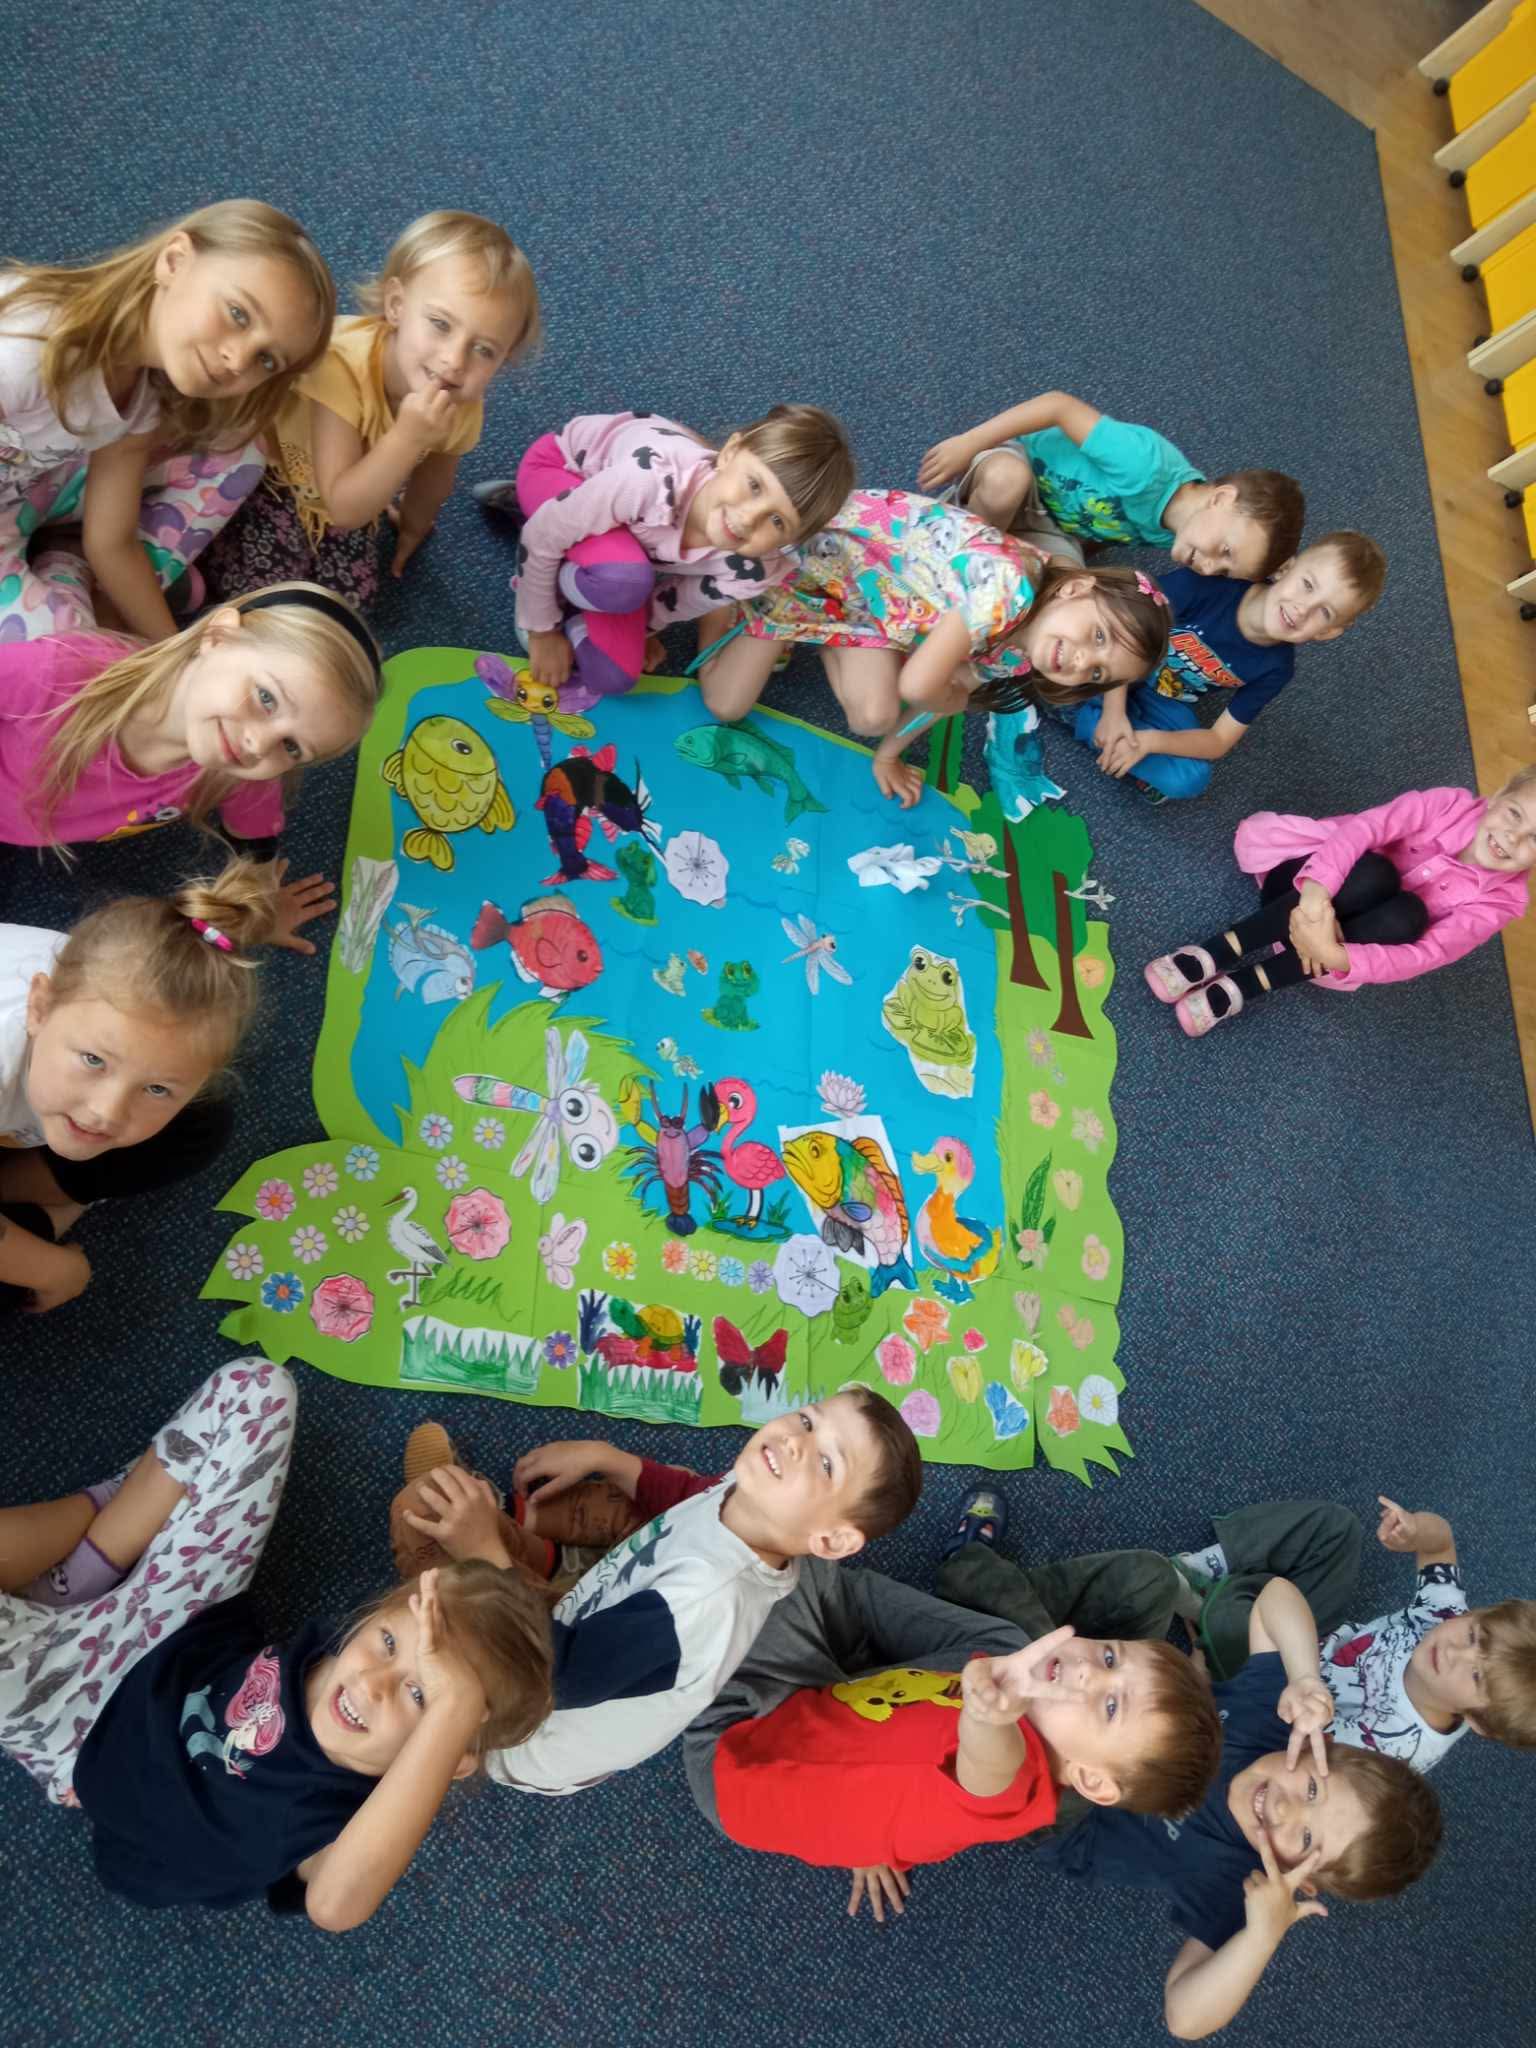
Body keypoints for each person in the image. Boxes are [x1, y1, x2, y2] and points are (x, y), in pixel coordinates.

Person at [0, 1357, 554, 1924]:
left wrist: (456, 1705)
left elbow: (336, 1908)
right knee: (259, 1388)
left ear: (445, 1749)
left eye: (420, 1695)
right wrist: (483, 1577)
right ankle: (78, 1574)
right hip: (170, 1626)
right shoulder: (353, 1659)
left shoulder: (342, 1819)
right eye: (388, 1643)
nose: (372, 1684)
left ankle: (89, 1550)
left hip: (77, 1724)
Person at [937, 1522, 1442, 2036]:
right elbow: (1273, 1597)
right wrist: (1305, 1678)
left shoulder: (1240, 1881)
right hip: (1127, 1709)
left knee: (1017, 1654)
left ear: (1302, 1878)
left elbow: (1185, 2018)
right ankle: (995, 1623)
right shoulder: (1274, 1725)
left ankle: (971, 1576)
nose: (1286, 1807)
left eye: (1307, 1837)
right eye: (1313, 1788)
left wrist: (1262, 1935)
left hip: (1068, 1807)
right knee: (1150, 1580)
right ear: (1322, 1747)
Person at [391, 1394, 923, 1795]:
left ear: (831, 1541)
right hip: (583, 1618)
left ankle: (456, 1552)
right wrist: (608, 1458)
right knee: (598, 1510)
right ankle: (503, 1533)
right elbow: (695, 1494)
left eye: (827, 1464)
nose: (795, 1442)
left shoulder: (706, 1602)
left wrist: (483, 1552)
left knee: (425, 1526)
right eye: (807, 1420)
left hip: (530, 1713)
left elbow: (557, 1674)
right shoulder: (755, 1496)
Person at [680, 1556, 1220, 1923]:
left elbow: (987, 1771)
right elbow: (913, 1809)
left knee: (770, 1559)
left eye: (1109, 1706)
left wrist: (988, 1718)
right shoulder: (1018, 1691)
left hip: (738, 1745)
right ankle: (859, 1610)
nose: (1088, 1672)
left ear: (1091, 1781)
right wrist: (866, 1845)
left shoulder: (1011, 1782)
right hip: (838, 1714)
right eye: (1109, 1657)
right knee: (1004, 1646)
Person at [696, 488, 1171, 807]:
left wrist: (888, 755)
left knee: (873, 719)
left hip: (866, 607)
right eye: (1099, 636)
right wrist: (952, 698)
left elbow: (942, 694)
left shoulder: (1023, 652)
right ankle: (723, 594)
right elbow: (924, 688)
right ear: (1075, 588)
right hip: (817, 556)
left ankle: (813, 633)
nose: (1083, 662)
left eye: (1097, 674)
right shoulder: (1008, 587)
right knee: (724, 704)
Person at [0, 200, 335, 642]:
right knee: (70, 656)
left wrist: (172, 652)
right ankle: (86, 597)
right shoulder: (25, 350)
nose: (238, 360)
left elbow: (111, 541)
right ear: (174, 261)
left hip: (32, 482)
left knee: (239, 452)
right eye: (238, 314)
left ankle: (78, 574)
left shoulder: (142, 396)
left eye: (267, 359)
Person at [0, 857, 321, 1314]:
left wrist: (240, 931)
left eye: (156, 1088)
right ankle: (45, 1214)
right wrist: (56, 1270)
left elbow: (183, 958)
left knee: (203, 1124)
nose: (107, 1112)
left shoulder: (109, 999)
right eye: (93, 1061)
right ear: (39, 1008)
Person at [201, 212, 539, 607]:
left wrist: (413, 526)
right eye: (440, 324)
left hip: (360, 486)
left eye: (483, 350)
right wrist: (409, 438)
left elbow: (435, 477)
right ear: (396, 305)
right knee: (267, 596)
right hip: (275, 478)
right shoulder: (340, 366)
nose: (454, 360)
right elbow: (343, 507)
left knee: (352, 601)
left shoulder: (459, 398)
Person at [475, 404, 855, 706]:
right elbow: (541, 536)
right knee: (622, 580)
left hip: (626, 543)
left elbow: (673, 603)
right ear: (730, 452)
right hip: (564, 470)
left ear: (791, 538)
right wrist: (542, 630)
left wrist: (641, 629)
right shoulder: (649, 479)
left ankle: (585, 579)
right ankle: (535, 517)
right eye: (754, 485)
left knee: (614, 677)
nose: (747, 519)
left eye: (777, 521)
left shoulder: (758, 568)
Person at [0, 581, 381, 856]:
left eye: (292, 746)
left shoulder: (236, 769)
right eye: (266, 698)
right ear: (218, 636)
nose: (259, 745)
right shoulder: (56, 672)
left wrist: (259, 900)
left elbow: (255, 836)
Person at [1145, 768, 1536, 1034]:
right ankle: (1219, 949)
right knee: (1377, 872)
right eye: (1515, 815)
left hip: (1326, 953)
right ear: (1498, 797)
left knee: (1409, 917)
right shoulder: (1447, 803)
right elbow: (1365, 828)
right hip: (1301, 889)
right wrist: (1316, 901)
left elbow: (1426, 955)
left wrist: (1332, 954)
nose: (1512, 838)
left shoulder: (1503, 903)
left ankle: (1247, 984)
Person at [1174, 1496, 1536, 1769]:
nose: (1454, 1651)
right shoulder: (1443, 1615)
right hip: (1315, 1640)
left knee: (1231, 1622)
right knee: (1337, 1528)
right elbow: (1440, 1542)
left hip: (1279, 1698)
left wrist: (1209, 1691)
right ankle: (1207, 1568)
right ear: (1475, 1615)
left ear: (1477, 1722)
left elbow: (1280, 1756)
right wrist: (1414, 1531)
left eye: (1475, 1676)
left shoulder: (1394, 1750)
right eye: (1473, 1636)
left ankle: (1206, 1630)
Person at [1076, 533, 1386, 803]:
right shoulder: (1209, 585)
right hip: (1123, 656)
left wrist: (1149, 742)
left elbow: (1218, 741)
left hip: (1165, 699)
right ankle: (1095, 722)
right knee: (1081, 643)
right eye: (1307, 585)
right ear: (1285, 568)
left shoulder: (1277, 669)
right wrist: (1114, 712)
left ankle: (1097, 726)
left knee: (1192, 779)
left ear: (1328, 633)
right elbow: (1127, 630)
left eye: (1325, 612)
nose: (1303, 609)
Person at [917, 389, 1302, 578]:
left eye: (1223, 571)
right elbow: (1058, 406)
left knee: (1073, 590)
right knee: (1006, 481)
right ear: (1221, 498)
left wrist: (1279, 571)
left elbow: (1113, 526)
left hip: (1054, 526)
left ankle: (992, 563)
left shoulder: (1183, 532)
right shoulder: (1144, 465)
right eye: (1225, 551)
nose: (1208, 567)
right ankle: (950, 553)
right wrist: (970, 442)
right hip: (1025, 473)